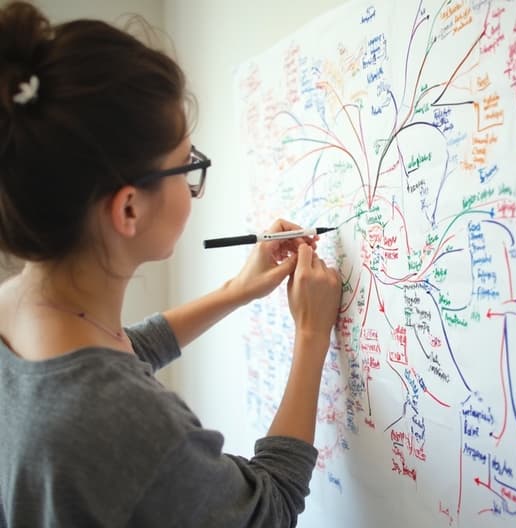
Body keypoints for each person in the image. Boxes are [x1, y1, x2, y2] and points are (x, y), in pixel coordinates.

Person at [0, 1, 342, 526]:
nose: (193, 186)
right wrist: (312, 334)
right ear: (129, 208)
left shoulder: (19, 315)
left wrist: (236, 290)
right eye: (188, 165)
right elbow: (266, 509)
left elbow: (113, 357)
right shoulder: (121, 423)